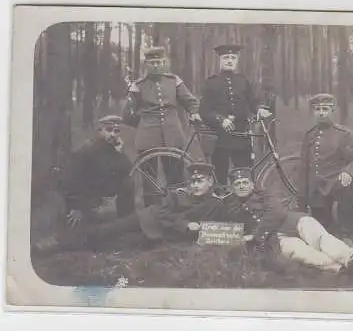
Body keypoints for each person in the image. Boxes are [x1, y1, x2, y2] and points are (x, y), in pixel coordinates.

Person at [32, 163, 227, 255]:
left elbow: (224, 227)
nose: (195, 185)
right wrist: (185, 224)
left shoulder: (215, 204)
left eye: (200, 181)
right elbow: (163, 213)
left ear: (210, 181)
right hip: (146, 219)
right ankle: (56, 243)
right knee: (106, 230)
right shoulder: (178, 194)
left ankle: (72, 247)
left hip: (159, 235)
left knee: (115, 244)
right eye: (192, 181)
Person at [223, 167, 353, 274]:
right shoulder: (231, 208)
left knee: (320, 238)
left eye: (245, 183)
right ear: (232, 188)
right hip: (275, 238)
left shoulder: (265, 194)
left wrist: (256, 235)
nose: (242, 186)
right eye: (237, 184)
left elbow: (277, 212)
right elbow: (225, 230)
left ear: (252, 184)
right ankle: (343, 269)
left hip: (293, 222)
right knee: (303, 253)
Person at [122, 46, 204, 206]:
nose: (156, 65)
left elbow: (190, 101)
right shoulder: (138, 85)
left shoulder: (174, 81)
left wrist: (193, 112)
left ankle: (178, 210)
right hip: (147, 137)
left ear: (165, 63)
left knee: (176, 177)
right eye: (152, 62)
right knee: (149, 182)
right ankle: (151, 215)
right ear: (146, 64)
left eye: (159, 62)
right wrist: (144, 122)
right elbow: (127, 115)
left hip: (173, 133)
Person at [199, 44, 271, 184]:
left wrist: (259, 110)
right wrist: (221, 120)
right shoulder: (211, 83)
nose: (230, 60)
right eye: (226, 58)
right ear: (220, 60)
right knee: (220, 177)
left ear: (237, 61)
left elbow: (252, 102)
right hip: (220, 138)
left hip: (241, 136)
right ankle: (221, 202)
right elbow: (204, 110)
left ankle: (243, 204)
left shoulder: (243, 81)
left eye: (233, 57)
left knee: (244, 175)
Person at [297, 93, 353, 233]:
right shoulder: (309, 135)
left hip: (336, 183)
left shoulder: (344, 134)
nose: (321, 113)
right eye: (318, 109)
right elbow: (304, 168)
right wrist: (302, 197)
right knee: (322, 228)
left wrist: (348, 172)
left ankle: (348, 231)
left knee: (346, 189)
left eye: (325, 109)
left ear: (332, 111)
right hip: (316, 188)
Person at [59, 115, 135, 229]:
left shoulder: (112, 149)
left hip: (102, 200)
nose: (112, 135)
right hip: (86, 202)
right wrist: (76, 207)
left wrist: (120, 152)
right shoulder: (87, 150)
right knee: (82, 236)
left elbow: (128, 170)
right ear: (100, 131)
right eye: (108, 130)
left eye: (116, 131)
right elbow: (71, 179)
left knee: (128, 182)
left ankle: (123, 219)